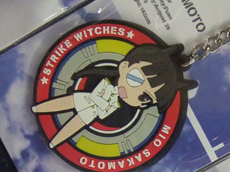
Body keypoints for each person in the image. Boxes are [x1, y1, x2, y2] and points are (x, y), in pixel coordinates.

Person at [31, 43, 196, 148]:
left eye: (144, 98)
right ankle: (38, 108)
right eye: (135, 78)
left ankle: (54, 141)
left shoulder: (123, 115)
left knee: (78, 122)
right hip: (89, 97)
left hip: (96, 112)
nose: (133, 92)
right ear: (124, 67)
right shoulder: (105, 79)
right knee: (71, 101)